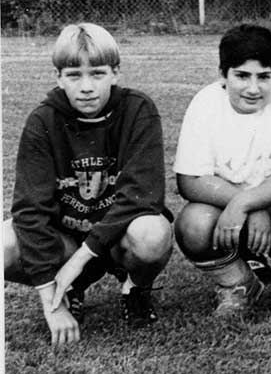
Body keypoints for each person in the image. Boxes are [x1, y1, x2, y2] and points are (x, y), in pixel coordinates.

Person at [3, 23, 173, 346]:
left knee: (153, 232)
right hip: (66, 240)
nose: (86, 87)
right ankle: (69, 292)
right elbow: (29, 210)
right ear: (58, 77)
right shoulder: (42, 121)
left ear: (115, 73)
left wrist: (81, 258)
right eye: (73, 75)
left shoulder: (138, 110)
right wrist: (50, 301)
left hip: (118, 239)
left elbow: (143, 195)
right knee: (4, 242)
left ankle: (135, 288)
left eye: (97, 73)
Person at [173, 24, 271, 317]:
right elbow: (189, 181)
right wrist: (245, 206)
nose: (253, 88)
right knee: (193, 224)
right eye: (242, 76)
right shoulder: (205, 103)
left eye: (264, 77)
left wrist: (248, 202)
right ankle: (238, 283)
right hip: (226, 210)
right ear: (223, 74)